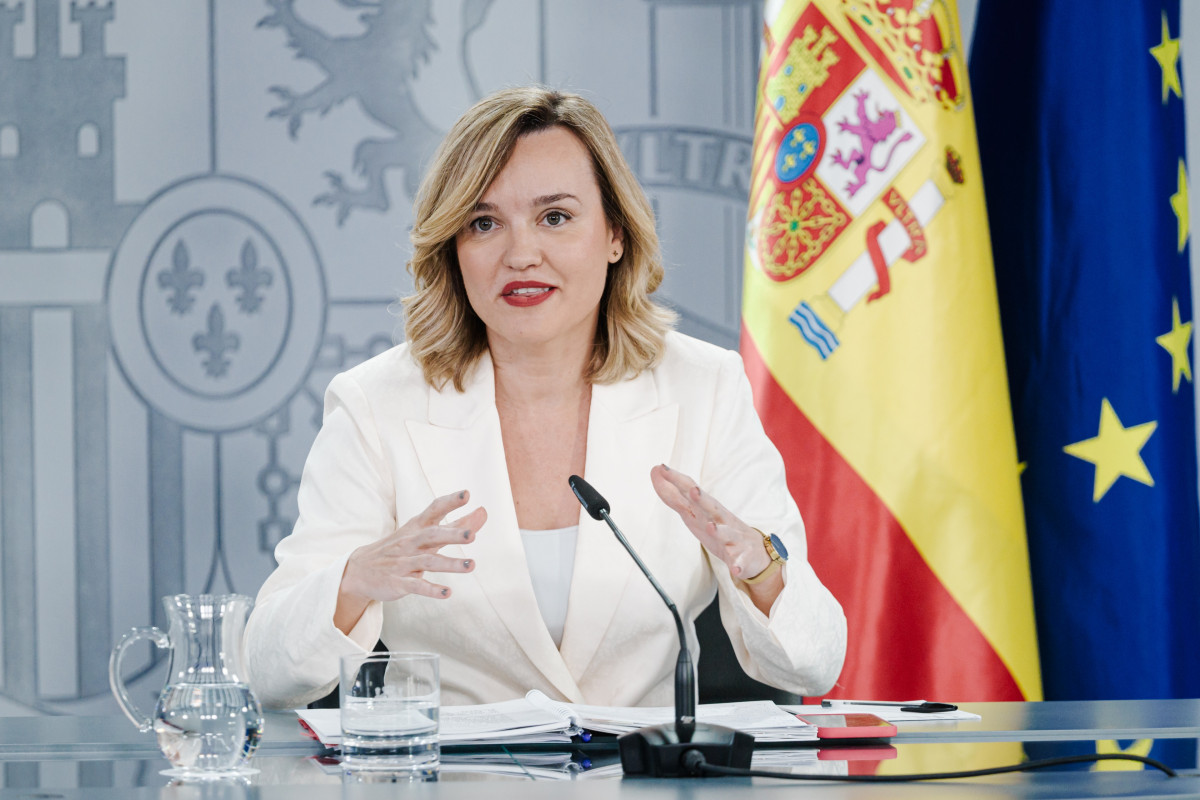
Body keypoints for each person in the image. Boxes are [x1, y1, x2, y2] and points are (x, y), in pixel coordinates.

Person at [244, 86, 846, 709]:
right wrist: (353, 581)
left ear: (615, 234)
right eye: (484, 224)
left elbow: (814, 667)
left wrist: (760, 567)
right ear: (454, 248)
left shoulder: (704, 388)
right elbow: (267, 668)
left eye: (555, 217)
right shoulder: (375, 404)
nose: (521, 254)